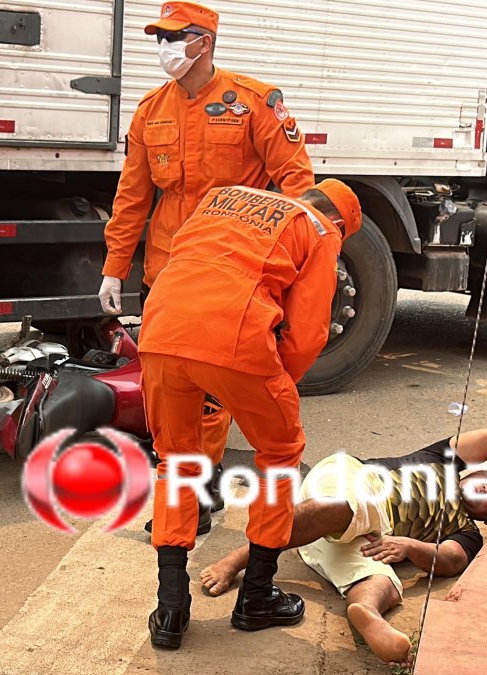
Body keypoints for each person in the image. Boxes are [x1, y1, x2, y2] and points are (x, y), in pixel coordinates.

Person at [97, 1, 317, 524]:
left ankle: (193, 497)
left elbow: (298, 187)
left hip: (231, 272)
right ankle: (188, 488)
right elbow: (132, 197)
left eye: (175, 37)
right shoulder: (151, 110)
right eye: (159, 38)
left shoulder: (256, 103)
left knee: (213, 393)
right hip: (168, 272)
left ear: (205, 42)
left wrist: (292, 269)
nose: (165, 48)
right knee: (167, 390)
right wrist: (114, 265)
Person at [137, 179, 363, 649]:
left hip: (160, 332)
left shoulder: (223, 197)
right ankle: (256, 598)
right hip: (236, 339)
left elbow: (180, 258)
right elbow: (307, 334)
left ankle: (171, 608)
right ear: (340, 223)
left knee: (176, 460)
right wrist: (268, 384)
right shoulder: (321, 230)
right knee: (279, 455)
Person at [198, 427, 487, 666]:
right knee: (355, 506)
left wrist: (411, 547)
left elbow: (449, 560)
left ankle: (367, 616)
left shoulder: (467, 531)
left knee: (381, 580)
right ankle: (241, 557)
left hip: (346, 540)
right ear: (477, 470)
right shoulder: (442, 460)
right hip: (347, 482)